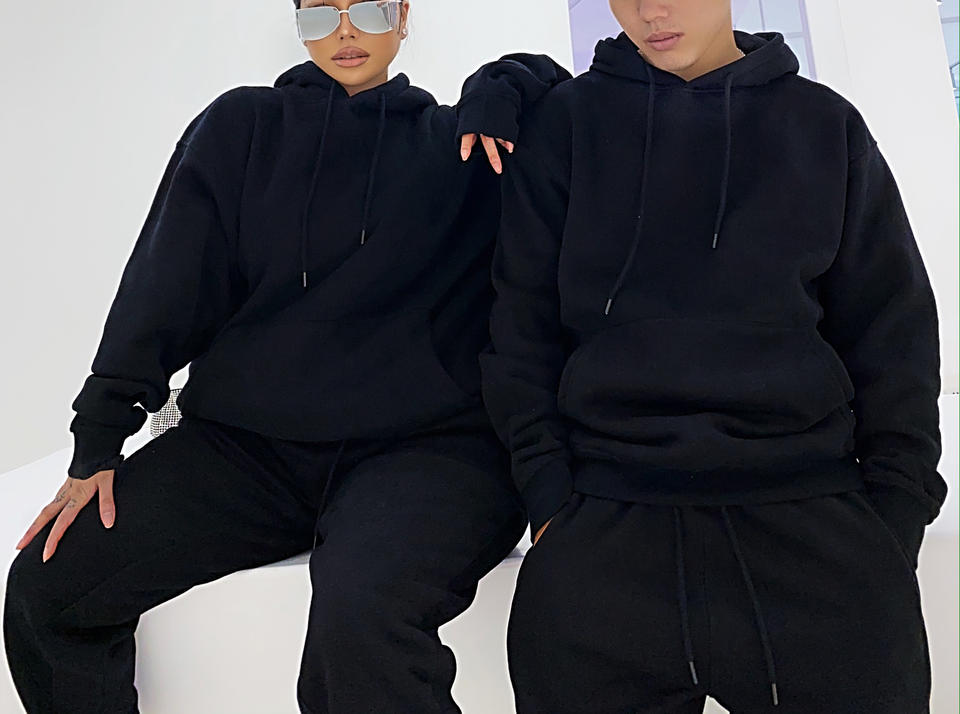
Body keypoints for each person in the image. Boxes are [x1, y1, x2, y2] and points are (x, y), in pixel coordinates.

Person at [3, 1, 569, 712]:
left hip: (427, 451)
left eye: (368, 10)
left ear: (403, 17)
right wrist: (98, 440)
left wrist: (505, 80)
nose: (344, 31)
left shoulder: (459, 143)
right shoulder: (242, 126)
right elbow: (165, 284)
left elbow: (568, 98)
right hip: (248, 450)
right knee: (48, 587)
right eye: (318, 15)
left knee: (361, 618)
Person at [481, 1, 946, 712]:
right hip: (605, 526)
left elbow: (894, 333)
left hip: (810, 523)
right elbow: (520, 329)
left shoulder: (824, 124)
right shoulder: (567, 125)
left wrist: (896, 514)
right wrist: (548, 499)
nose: (651, 10)